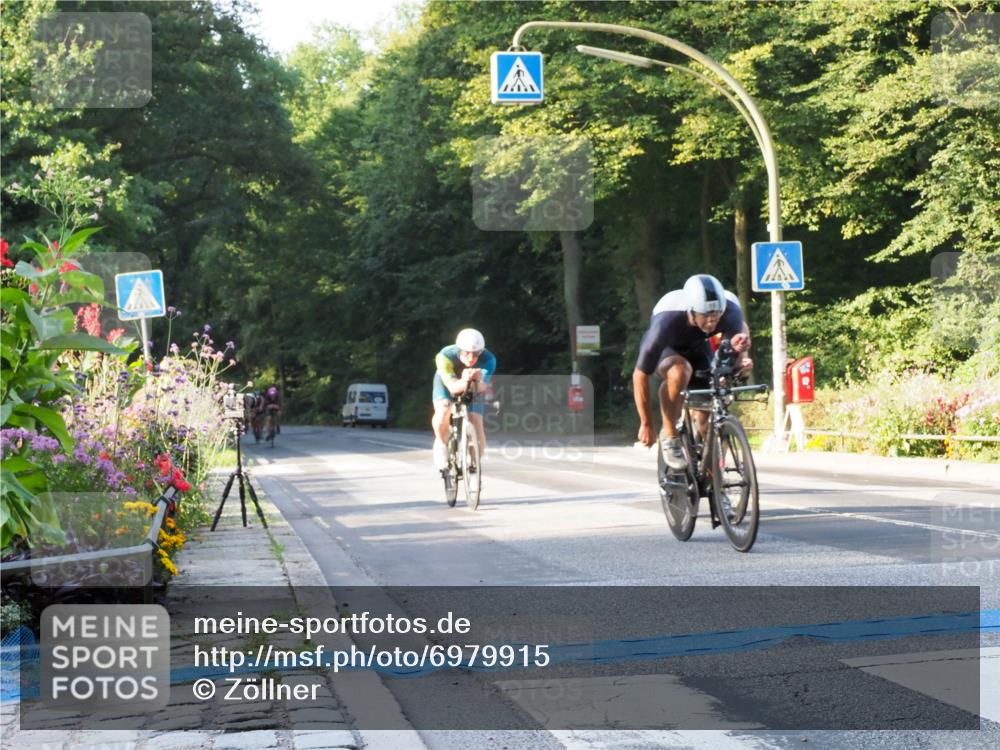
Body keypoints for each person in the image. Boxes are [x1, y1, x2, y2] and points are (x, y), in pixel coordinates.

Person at [632, 274, 752, 470]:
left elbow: (728, 358)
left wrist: (740, 368)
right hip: (668, 349)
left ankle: (714, 479)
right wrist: (646, 423)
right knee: (680, 371)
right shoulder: (666, 321)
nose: (712, 322)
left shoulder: (731, 311)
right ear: (692, 311)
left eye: (716, 316)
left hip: (699, 347)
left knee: (708, 417)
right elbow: (639, 375)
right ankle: (670, 434)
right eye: (706, 316)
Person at [432, 329, 497, 473]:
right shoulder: (445, 356)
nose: (471, 357)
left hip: (474, 386)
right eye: (467, 352)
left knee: (476, 420)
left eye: (476, 353)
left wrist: (477, 380)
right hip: (448, 383)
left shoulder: (488, 359)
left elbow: (480, 387)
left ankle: (474, 462)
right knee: (443, 410)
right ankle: (442, 443)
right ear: (459, 349)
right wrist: (465, 379)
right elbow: (453, 387)